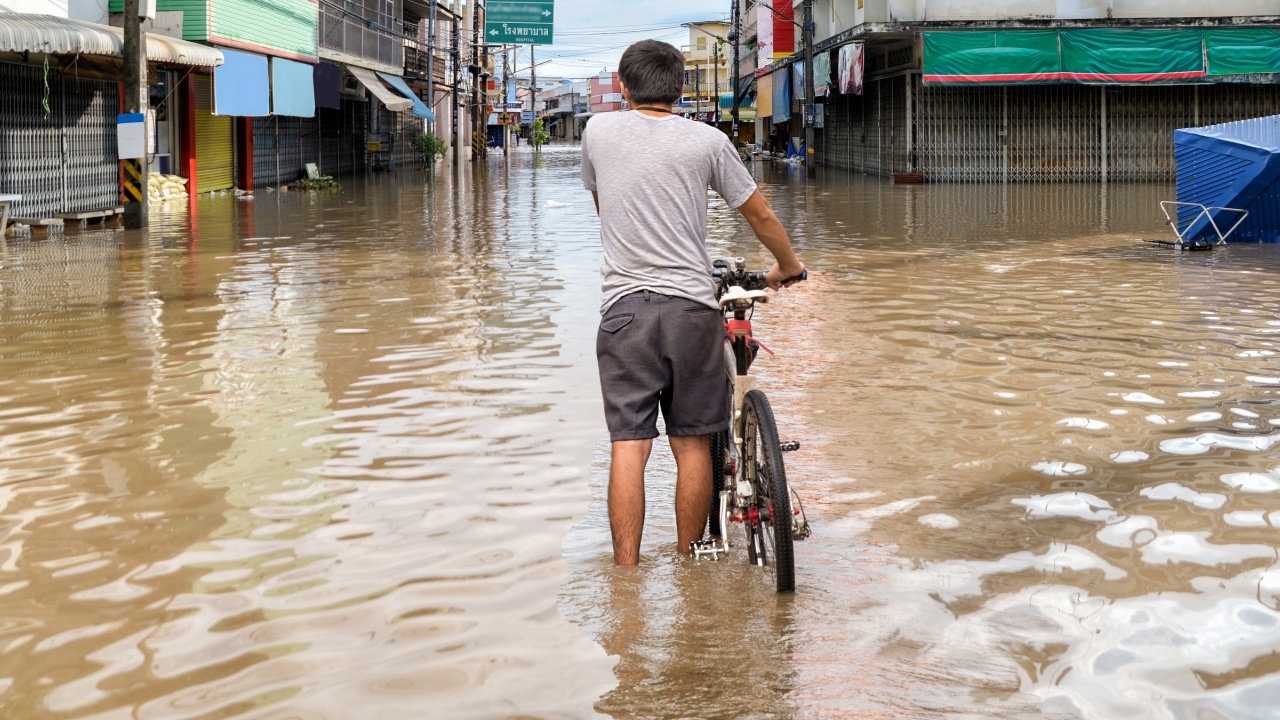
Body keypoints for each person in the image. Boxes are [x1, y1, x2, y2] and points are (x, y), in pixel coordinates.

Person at [580, 39, 806, 565]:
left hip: (623, 313)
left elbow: (602, 204)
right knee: (693, 444)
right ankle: (690, 563)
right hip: (690, 311)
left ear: (622, 84)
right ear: (682, 88)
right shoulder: (706, 140)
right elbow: (762, 216)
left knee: (629, 448)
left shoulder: (596, 131)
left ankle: (626, 577)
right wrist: (788, 267)